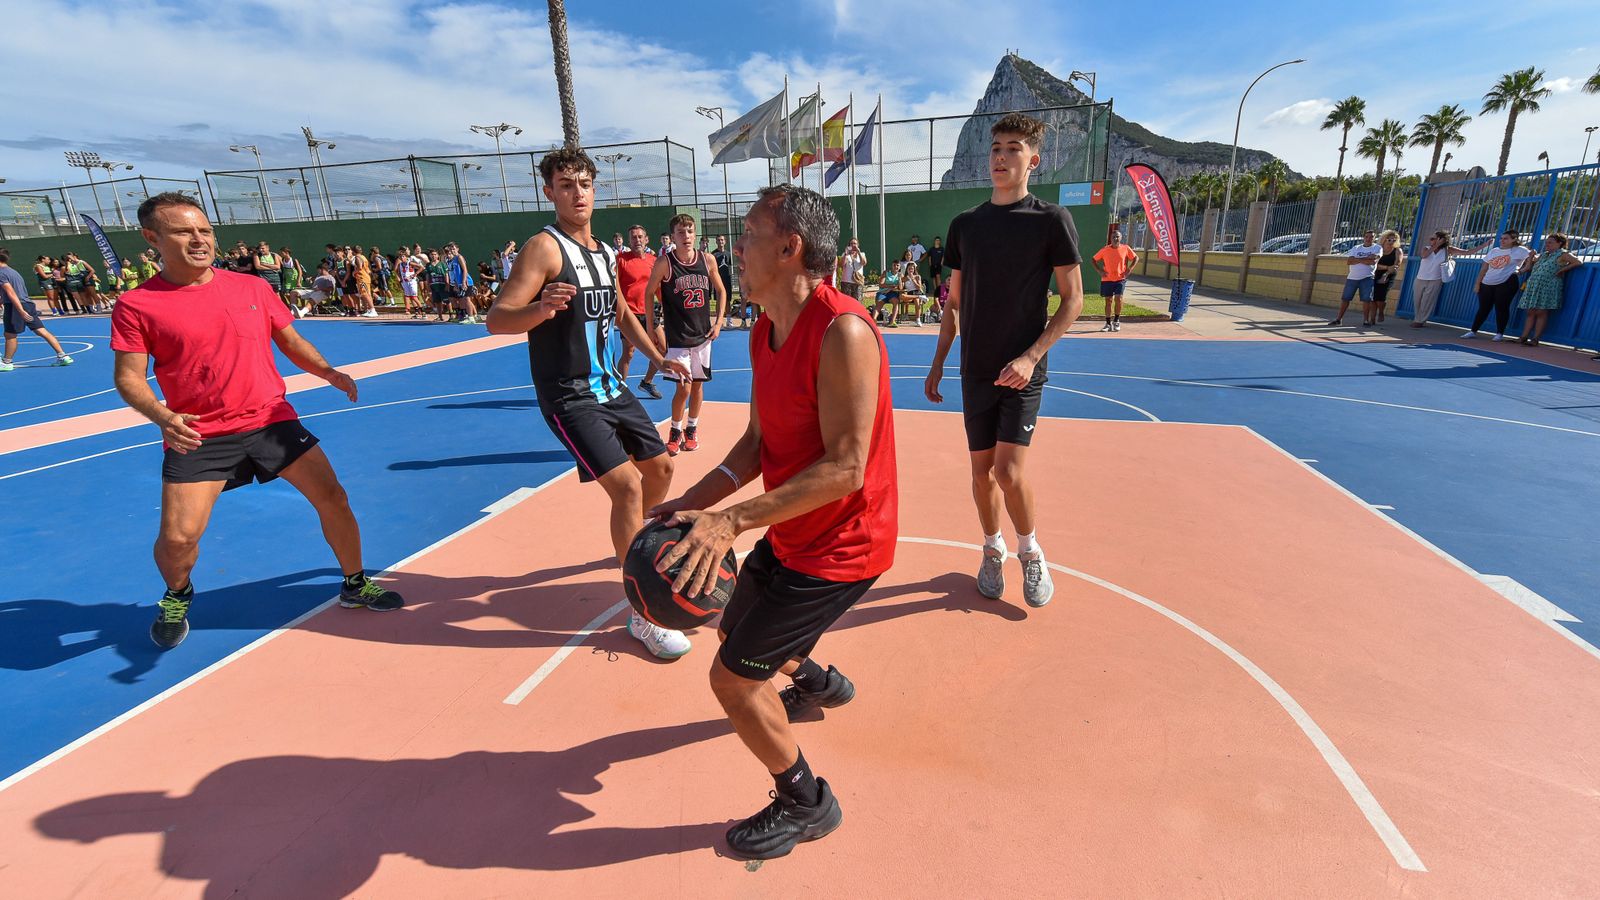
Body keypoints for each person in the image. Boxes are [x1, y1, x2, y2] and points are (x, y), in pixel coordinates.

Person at [649, 183, 897, 861]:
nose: (736, 248)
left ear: (790, 249)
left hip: (845, 546)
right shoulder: (764, 329)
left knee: (731, 679)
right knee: (734, 626)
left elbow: (846, 467)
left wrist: (730, 522)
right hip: (795, 532)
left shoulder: (843, 330)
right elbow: (759, 443)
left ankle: (806, 803)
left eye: (750, 234)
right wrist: (696, 502)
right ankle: (820, 683)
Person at [110, 193, 404, 649]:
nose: (199, 239)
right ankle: (178, 594)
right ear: (153, 239)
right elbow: (129, 378)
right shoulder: (137, 304)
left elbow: (290, 340)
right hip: (199, 433)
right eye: (184, 231)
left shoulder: (252, 288)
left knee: (334, 498)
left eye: (204, 230)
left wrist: (328, 371)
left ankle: (354, 583)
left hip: (271, 419)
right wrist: (162, 416)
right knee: (177, 540)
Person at [486, 147, 694, 660]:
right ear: (549, 192)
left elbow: (621, 311)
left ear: (595, 189)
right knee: (625, 487)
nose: (577, 193)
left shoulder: (603, 253)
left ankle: (638, 550)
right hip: (569, 392)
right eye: (565, 185)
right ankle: (643, 609)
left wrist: (658, 358)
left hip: (610, 387)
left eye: (584, 183)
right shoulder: (543, 249)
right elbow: (497, 319)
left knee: (662, 469)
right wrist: (539, 308)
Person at [924, 111, 1084, 608]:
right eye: (996, 148)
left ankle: (1030, 551)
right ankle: (991, 549)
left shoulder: (1051, 221)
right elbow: (953, 302)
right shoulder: (965, 226)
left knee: (1009, 472)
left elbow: (1073, 299)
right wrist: (938, 362)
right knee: (979, 473)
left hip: (1021, 370)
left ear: (1033, 160)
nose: (1001, 156)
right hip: (975, 369)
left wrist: (1032, 356)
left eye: (1013, 148)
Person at [648, 213, 725, 454]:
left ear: (695, 234)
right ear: (672, 237)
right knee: (683, 387)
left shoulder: (708, 260)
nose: (686, 236)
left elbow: (721, 291)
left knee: (698, 386)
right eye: (681, 232)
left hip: (703, 336)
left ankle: (691, 429)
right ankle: (674, 430)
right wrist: (651, 326)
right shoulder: (665, 263)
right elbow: (648, 293)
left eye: (690, 231)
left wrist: (719, 322)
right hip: (678, 337)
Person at [1, 249, 75, 371]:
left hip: (16, 306)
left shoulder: (1, 273)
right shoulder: (13, 272)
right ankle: (63, 356)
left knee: (10, 334)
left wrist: (20, 310)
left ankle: (7, 362)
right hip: (27, 303)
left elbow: (11, 292)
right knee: (41, 330)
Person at [616, 224, 663, 399]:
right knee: (628, 352)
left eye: (640, 237)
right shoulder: (621, 260)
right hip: (630, 314)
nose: (637, 240)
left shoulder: (653, 260)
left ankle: (647, 382)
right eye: (633, 237)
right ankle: (620, 391)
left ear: (646, 239)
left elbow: (658, 287)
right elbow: (616, 288)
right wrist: (619, 312)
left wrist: (664, 306)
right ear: (629, 240)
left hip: (650, 313)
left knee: (663, 350)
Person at [1466, 229, 1533, 341]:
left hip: (1507, 282)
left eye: (1506, 238)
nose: (1502, 240)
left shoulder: (1520, 250)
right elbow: (1484, 268)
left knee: (1501, 307)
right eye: (1501, 238)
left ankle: (1499, 333)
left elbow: (1532, 259)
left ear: (1514, 239)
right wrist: (1478, 284)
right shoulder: (1494, 251)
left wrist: (1521, 269)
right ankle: (1473, 331)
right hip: (1487, 282)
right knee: (1483, 308)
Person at [1516, 233, 1582, 346]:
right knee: (1530, 311)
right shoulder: (1544, 255)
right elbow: (1530, 265)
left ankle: (1535, 339)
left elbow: (1578, 262)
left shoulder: (1563, 254)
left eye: (1550, 242)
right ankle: (1523, 336)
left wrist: (1563, 270)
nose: (1547, 244)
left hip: (1548, 286)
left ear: (1559, 243)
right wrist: (1531, 256)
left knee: (1541, 312)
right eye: (1546, 242)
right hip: (1535, 285)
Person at [1410, 231, 1471, 328]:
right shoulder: (1427, 248)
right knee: (1417, 300)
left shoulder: (1447, 250)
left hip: (1435, 279)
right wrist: (1436, 245)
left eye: (1434, 238)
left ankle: (1420, 320)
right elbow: (1424, 255)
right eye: (1431, 238)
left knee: (1427, 301)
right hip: (1420, 278)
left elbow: (1467, 252)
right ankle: (1417, 317)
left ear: (1441, 239)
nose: (1431, 240)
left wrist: (1485, 244)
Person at [1329, 230, 1381, 327]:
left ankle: (1365, 320)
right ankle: (1338, 319)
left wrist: (1357, 260)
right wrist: (1365, 259)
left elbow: (1373, 261)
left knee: (1366, 300)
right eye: (1367, 237)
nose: (1369, 239)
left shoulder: (1377, 248)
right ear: (1363, 237)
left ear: (1374, 238)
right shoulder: (1356, 247)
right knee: (1345, 298)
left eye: (1371, 237)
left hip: (1367, 277)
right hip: (1352, 277)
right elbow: (1349, 261)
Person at [1091, 229, 1138, 332]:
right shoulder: (1105, 250)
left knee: (1119, 298)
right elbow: (1093, 259)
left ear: (1121, 238)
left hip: (1120, 279)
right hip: (1107, 279)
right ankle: (1108, 324)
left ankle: (1116, 321)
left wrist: (1129, 269)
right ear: (1110, 239)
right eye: (1113, 237)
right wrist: (1099, 271)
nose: (1115, 239)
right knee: (1108, 301)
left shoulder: (1126, 248)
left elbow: (1135, 258)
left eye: (1117, 237)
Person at [1368, 230, 1404, 326]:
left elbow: (1396, 265)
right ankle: (1372, 319)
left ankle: (1381, 312)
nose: (1391, 242)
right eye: (1389, 240)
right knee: (1373, 298)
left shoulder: (1397, 251)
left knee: (1381, 297)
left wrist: (1386, 273)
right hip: (1375, 273)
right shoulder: (1378, 249)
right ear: (1384, 239)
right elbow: (1374, 263)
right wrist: (1387, 267)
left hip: (1389, 275)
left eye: (1394, 240)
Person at [713, 234, 735, 325]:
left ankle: (729, 320)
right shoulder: (713, 254)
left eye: (722, 240)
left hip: (727, 279)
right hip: (718, 280)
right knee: (718, 300)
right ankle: (719, 320)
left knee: (727, 300)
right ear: (716, 242)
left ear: (725, 241)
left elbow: (729, 266)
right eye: (718, 240)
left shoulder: (728, 254)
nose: (720, 242)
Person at [836, 237, 866, 303]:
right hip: (846, 281)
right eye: (851, 243)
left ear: (858, 245)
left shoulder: (862, 254)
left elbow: (863, 263)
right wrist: (846, 254)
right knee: (846, 301)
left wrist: (859, 253)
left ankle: (857, 313)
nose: (853, 245)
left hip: (857, 281)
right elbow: (841, 265)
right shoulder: (845, 254)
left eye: (855, 243)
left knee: (858, 301)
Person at [395, 252, 423, 318]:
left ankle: (423, 312)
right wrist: (401, 279)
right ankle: (416, 313)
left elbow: (421, 267)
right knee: (410, 297)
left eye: (403, 256)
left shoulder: (410, 263)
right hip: (405, 282)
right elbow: (398, 272)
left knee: (414, 297)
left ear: (406, 257)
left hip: (412, 282)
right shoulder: (400, 265)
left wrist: (414, 275)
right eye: (400, 257)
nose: (402, 258)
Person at [926, 235, 945, 300]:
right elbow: (929, 257)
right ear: (935, 241)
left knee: (938, 276)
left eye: (939, 240)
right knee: (933, 277)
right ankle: (935, 290)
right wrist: (930, 264)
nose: (937, 241)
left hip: (938, 265)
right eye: (936, 240)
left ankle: (939, 289)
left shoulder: (942, 249)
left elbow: (943, 256)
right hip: (932, 265)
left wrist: (941, 263)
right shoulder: (932, 249)